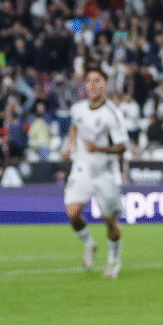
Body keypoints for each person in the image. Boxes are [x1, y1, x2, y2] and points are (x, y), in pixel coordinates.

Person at [62, 67, 128, 279]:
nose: (92, 85)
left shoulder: (112, 114)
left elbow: (122, 146)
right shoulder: (78, 109)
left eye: (97, 80)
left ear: (105, 85)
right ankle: (90, 245)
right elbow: (74, 128)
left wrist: (99, 149)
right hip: (82, 167)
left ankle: (114, 260)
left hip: (104, 171)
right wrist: (70, 145)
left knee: (110, 222)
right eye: (88, 81)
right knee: (72, 213)